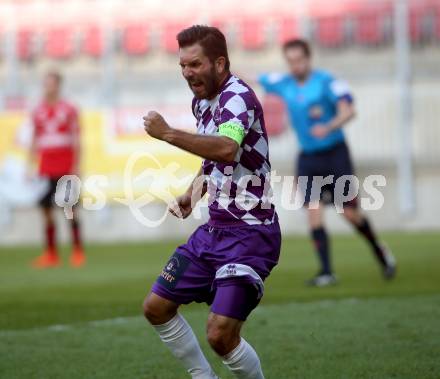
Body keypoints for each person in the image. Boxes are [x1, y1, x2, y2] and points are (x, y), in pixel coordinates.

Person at [142, 25, 281, 379]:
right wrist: (194, 192)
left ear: (220, 63)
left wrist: (168, 134)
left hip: (250, 234)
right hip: (215, 230)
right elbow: (214, 158)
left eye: (196, 64)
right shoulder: (202, 102)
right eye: (183, 66)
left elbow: (227, 147)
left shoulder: (238, 97)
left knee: (220, 335)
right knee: (156, 307)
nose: (188, 73)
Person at [258, 39, 395, 286]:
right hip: (308, 158)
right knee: (313, 213)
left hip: (335, 154)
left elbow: (349, 110)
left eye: (299, 60)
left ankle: (379, 250)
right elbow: (252, 80)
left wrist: (329, 125)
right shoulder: (284, 83)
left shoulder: (327, 82)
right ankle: (326, 272)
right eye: (290, 61)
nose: (295, 65)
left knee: (350, 214)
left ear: (308, 58)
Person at [29, 70, 85, 268]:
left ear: (58, 86)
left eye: (51, 84)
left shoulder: (69, 109)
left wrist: (77, 165)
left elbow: (77, 137)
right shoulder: (37, 110)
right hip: (46, 168)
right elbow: (35, 138)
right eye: (45, 84)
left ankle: (77, 251)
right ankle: (51, 254)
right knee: (45, 209)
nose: (48, 87)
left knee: (69, 209)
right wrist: (30, 165)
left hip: (65, 167)